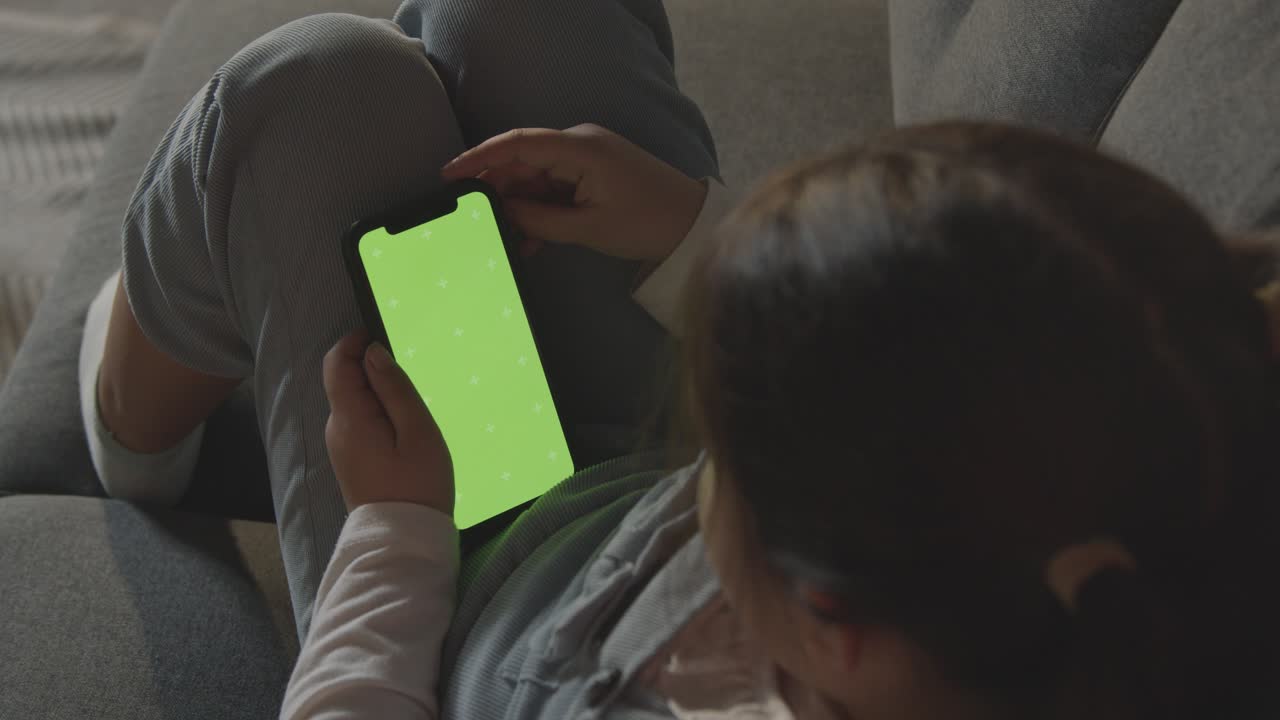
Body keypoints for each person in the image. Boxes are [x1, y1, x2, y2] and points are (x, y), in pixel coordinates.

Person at [76, 3, 1280, 720]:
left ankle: (138, 413)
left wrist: (397, 532)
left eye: (724, 438)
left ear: (825, 626)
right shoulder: (1159, 486)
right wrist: (678, 230)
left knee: (318, 92)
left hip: (474, 535)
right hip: (595, 495)